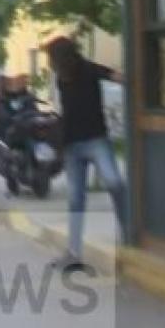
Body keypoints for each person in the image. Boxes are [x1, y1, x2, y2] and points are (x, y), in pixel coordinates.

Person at [44, 36, 127, 268]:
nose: (50, 64)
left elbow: (115, 76)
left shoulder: (88, 69)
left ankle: (127, 234)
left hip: (95, 140)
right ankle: (73, 253)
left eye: (52, 58)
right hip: (72, 146)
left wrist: (128, 77)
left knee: (114, 183)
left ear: (62, 57)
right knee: (75, 199)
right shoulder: (60, 79)